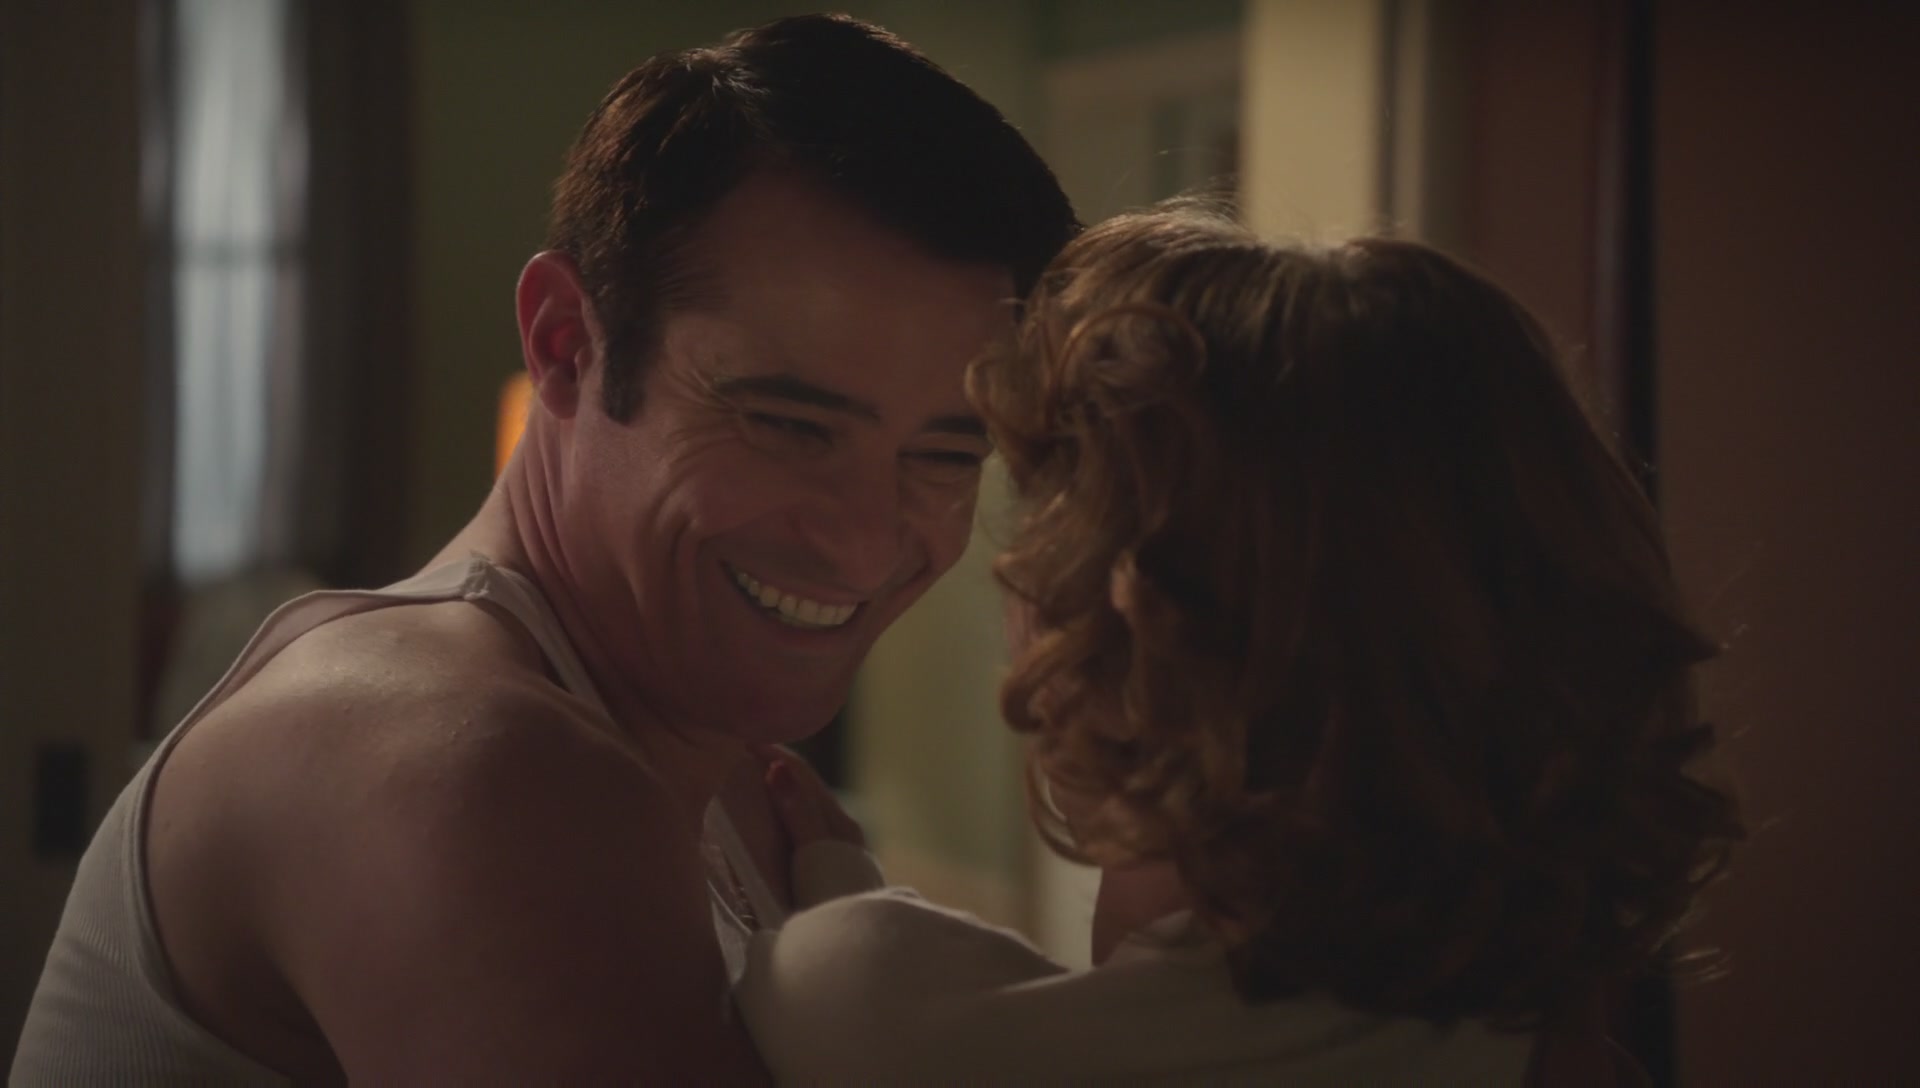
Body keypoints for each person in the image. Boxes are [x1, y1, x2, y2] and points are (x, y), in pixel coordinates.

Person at [12, 14, 1074, 1083]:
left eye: (946, 455)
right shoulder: (467, 760)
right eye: (791, 425)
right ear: (566, 345)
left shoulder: (748, 789)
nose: (864, 544)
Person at [734, 200, 1744, 1085]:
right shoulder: (1532, 1041)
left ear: (1133, 625)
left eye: (1045, 520)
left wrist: (831, 878)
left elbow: (861, 993)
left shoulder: (873, 1009)